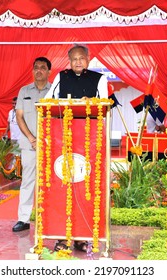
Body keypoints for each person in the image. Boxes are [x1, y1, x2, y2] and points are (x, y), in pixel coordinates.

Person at [46, 44, 108, 252]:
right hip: (62, 139)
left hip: (90, 140)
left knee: (85, 187)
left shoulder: (99, 79)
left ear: (88, 60)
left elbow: (105, 104)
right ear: (69, 61)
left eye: (81, 58)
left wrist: (92, 102)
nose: (78, 62)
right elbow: (47, 102)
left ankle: (83, 236)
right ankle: (63, 237)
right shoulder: (60, 77)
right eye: (74, 59)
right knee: (62, 188)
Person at [12, 57, 52, 232]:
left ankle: (50, 219)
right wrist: (32, 138)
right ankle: (24, 219)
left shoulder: (55, 91)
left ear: (49, 71)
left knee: (50, 182)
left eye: (43, 68)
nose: (39, 70)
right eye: (36, 67)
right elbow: (19, 116)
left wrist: (46, 140)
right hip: (30, 146)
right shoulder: (24, 91)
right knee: (28, 181)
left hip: (52, 146)